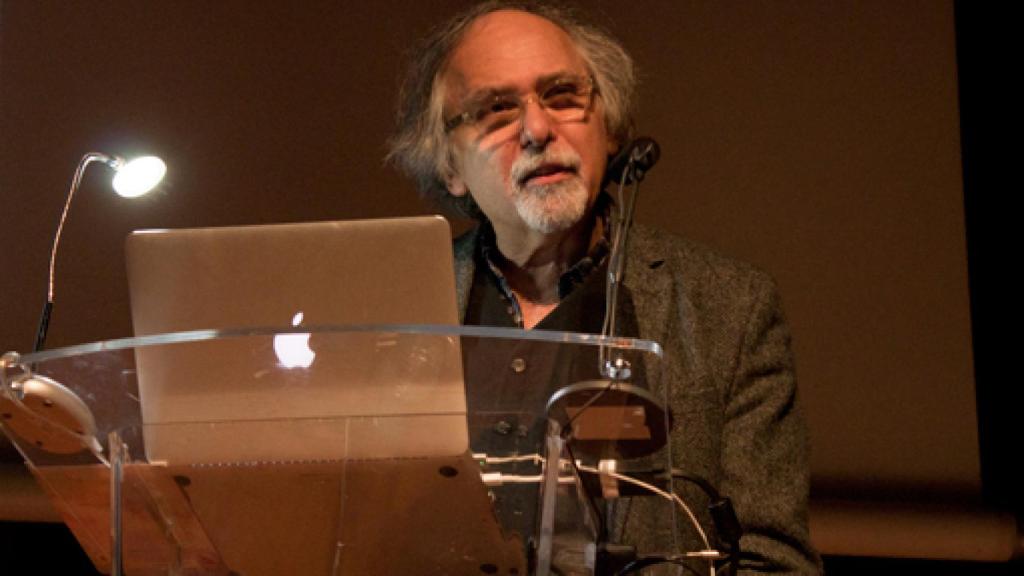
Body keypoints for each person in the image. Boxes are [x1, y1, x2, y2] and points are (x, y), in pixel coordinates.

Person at [388, 1, 822, 573]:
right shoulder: (394, 314)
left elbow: (774, 564)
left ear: (610, 128)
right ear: (449, 166)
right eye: (496, 110)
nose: (538, 129)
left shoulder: (730, 309)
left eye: (563, 96)